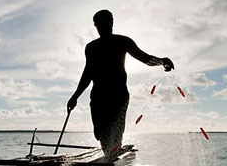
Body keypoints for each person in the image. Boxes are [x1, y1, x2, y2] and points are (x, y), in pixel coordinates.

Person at [67, 9, 174, 156]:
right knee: (100, 134)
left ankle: (114, 155)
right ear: (95, 26)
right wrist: (75, 97)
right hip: (98, 97)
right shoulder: (91, 47)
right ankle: (110, 156)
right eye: (98, 25)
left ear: (111, 23)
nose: (102, 27)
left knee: (115, 132)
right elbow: (87, 74)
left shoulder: (123, 41)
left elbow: (145, 58)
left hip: (118, 96)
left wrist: (162, 62)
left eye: (105, 23)